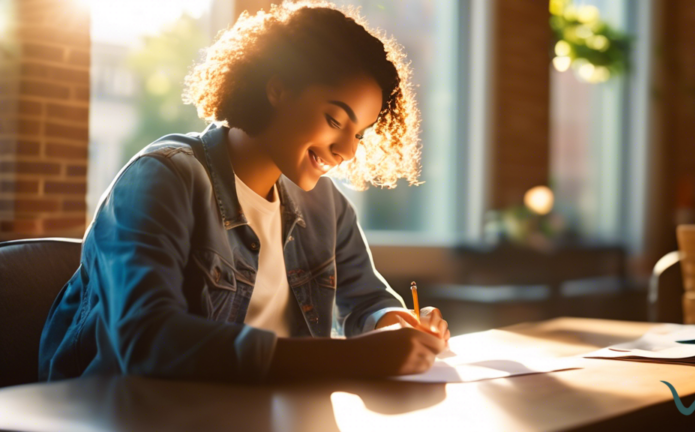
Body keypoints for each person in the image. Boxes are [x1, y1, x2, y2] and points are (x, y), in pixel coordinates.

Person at [39, 1, 450, 384]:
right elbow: (146, 340)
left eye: (358, 133)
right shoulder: (161, 180)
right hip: (131, 413)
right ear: (278, 89)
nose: (347, 150)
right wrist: (346, 358)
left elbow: (366, 299)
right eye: (334, 119)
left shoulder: (326, 206)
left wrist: (392, 321)